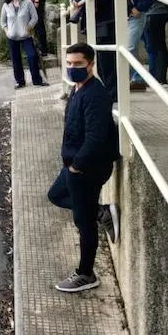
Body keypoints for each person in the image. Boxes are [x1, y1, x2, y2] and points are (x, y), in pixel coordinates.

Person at [47, 43, 120, 293]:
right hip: (74, 165)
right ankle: (101, 211)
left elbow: (96, 137)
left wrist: (77, 166)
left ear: (91, 64)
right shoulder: (78, 89)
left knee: (83, 223)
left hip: (86, 169)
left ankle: (86, 274)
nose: (72, 68)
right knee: (55, 195)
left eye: (78, 64)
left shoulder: (95, 95)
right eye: (69, 63)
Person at [66, 0, 116, 99]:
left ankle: (113, 94)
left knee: (106, 59)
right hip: (89, 20)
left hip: (103, 19)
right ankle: (106, 92)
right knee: (99, 58)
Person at [109, 0, 158, 92]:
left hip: (135, 16)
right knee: (131, 48)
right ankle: (137, 78)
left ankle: (125, 79)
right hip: (123, 15)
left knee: (128, 48)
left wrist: (140, 7)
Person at [0, 0, 49, 89]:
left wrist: (29, 27)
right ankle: (20, 81)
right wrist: (7, 31)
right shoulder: (6, 5)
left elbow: (35, 17)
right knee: (16, 59)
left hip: (25, 36)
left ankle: (37, 80)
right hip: (12, 37)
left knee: (32, 56)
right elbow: (3, 22)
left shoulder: (27, 3)